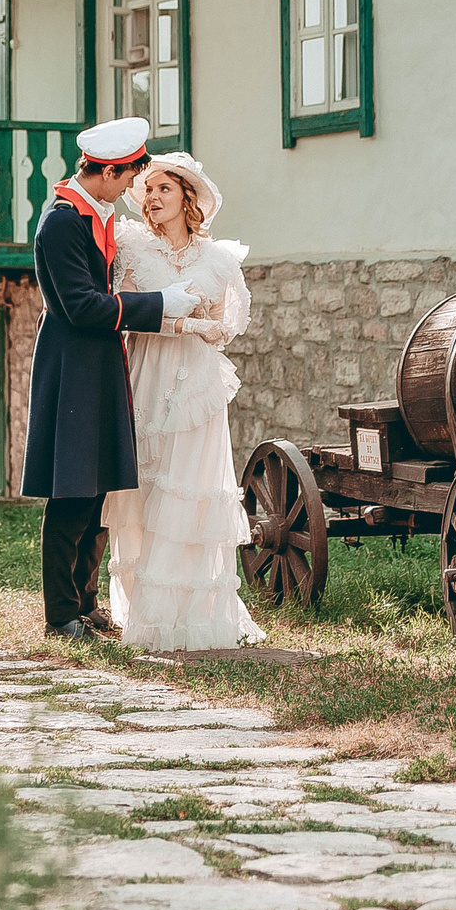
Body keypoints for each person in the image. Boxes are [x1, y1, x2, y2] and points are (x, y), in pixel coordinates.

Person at [23, 117, 195, 640]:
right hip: (72, 365)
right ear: (107, 171)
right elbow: (79, 306)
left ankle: (85, 602)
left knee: (96, 491)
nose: (129, 192)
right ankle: (60, 615)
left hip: (97, 363)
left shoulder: (92, 213)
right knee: (72, 492)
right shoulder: (62, 221)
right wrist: (159, 304)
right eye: (126, 180)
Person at [103, 153, 265, 651]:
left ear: (186, 199)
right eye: (147, 190)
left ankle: (195, 614)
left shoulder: (218, 259)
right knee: (146, 490)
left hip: (195, 384)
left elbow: (224, 323)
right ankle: (146, 613)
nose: (151, 199)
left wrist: (207, 327)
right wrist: (181, 321)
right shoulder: (132, 250)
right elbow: (123, 312)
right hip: (146, 372)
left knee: (188, 491)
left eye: (163, 190)